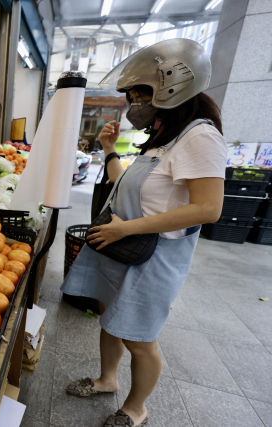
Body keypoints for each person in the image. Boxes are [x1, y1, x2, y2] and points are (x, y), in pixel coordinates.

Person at [61, 39, 227, 427]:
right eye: (133, 95)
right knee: (110, 317)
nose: (134, 103)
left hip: (153, 256)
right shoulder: (165, 137)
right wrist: (108, 150)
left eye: (141, 94)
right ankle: (107, 380)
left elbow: (209, 208)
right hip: (124, 246)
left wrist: (127, 228)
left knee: (139, 338)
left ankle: (136, 409)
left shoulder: (200, 137)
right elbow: (129, 188)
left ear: (174, 87)